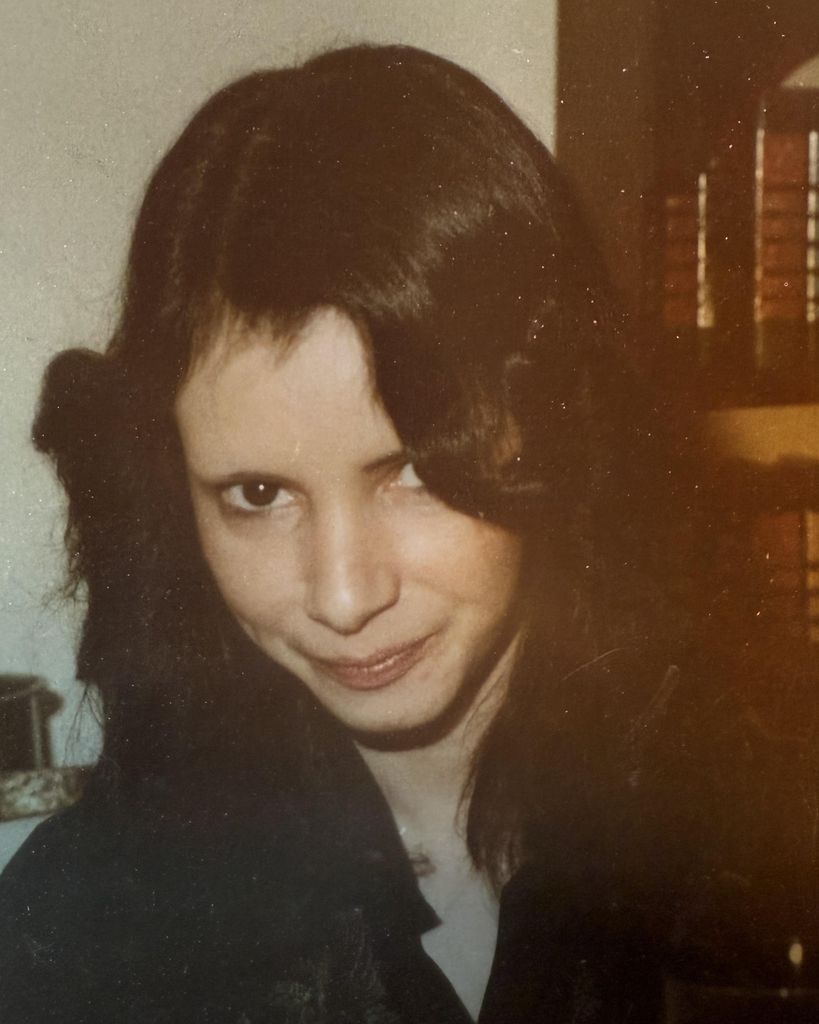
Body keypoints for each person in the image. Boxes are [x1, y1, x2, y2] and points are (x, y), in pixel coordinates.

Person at [0, 43, 723, 1023]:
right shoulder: (79, 925)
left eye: (413, 472)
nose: (343, 595)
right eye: (257, 493)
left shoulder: (757, 857)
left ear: (558, 427)